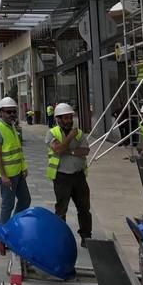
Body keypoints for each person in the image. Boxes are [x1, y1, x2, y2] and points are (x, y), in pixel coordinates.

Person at [45, 103, 92, 248]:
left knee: (84, 208)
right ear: (58, 119)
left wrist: (70, 151)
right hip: (62, 177)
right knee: (61, 209)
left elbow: (85, 150)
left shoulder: (79, 133)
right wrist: (70, 138)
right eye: (66, 118)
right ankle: (61, 238)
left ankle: (86, 237)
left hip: (79, 176)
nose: (69, 120)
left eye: (70, 117)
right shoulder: (52, 133)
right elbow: (58, 149)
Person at [0, 97, 31, 226]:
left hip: (18, 172)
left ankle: (14, 225)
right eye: (8, 112)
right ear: (1, 112)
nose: (12, 114)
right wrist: (3, 175)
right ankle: (4, 236)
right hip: (7, 175)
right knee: (8, 204)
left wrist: (24, 167)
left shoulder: (11, 126)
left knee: (25, 199)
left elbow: (18, 150)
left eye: (14, 111)